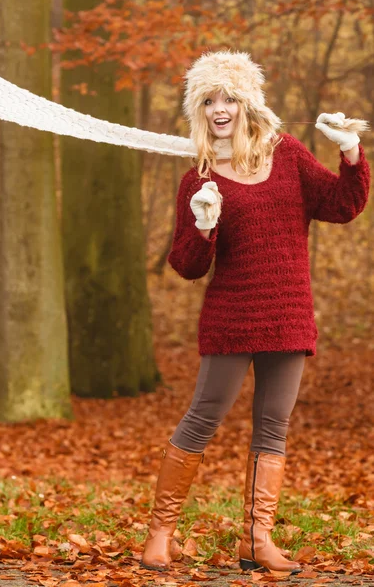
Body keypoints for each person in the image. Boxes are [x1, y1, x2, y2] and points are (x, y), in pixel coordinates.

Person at [141, 50, 371, 574]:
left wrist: (352, 153)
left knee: (273, 428)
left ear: (248, 103)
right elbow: (186, 265)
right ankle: (160, 533)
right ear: (199, 110)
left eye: (228, 98)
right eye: (208, 100)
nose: (219, 108)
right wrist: (203, 226)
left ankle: (255, 540)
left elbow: (342, 205)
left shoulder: (286, 154)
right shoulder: (198, 179)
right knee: (202, 418)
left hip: (288, 313)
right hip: (231, 317)